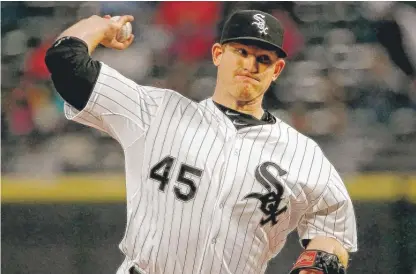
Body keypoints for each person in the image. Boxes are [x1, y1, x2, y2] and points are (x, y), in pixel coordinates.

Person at [45, 10, 357, 274]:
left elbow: (333, 227)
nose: (251, 65)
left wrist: (319, 262)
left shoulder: (304, 155)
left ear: (277, 70)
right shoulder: (155, 112)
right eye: (242, 52)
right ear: (218, 55)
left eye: (263, 58)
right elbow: (65, 61)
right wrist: (100, 25)